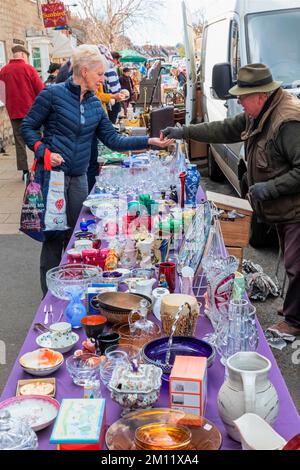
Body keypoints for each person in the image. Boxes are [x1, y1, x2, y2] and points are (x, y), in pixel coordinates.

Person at [161, 63, 300, 336]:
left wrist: (269, 188)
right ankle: (295, 306)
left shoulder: (287, 121)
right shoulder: (259, 112)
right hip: (283, 208)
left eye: (243, 97)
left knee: (297, 264)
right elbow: (223, 129)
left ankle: (295, 322)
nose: (239, 102)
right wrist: (185, 131)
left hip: (295, 208)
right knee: (291, 260)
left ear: (261, 95)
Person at [21, 44, 173, 295]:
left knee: (79, 237)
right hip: (53, 178)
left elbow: (114, 140)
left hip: (79, 177)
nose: (103, 79)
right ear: (84, 71)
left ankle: (74, 287)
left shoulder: (94, 104)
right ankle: (49, 297)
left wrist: (148, 141)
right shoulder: (52, 95)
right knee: (53, 238)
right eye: (99, 74)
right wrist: (44, 152)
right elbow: (27, 127)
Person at [0, 45, 44, 180]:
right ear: (23, 55)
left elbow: (1, 92)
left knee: (19, 142)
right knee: (36, 139)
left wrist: (7, 102)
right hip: (31, 112)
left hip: (14, 111)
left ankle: (25, 172)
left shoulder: (4, 71)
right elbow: (41, 90)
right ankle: (40, 166)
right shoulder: (29, 69)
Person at [98, 45, 123, 124]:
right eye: (117, 59)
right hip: (112, 100)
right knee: (112, 123)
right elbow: (114, 88)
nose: (118, 62)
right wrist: (117, 96)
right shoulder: (110, 70)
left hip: (111, 100)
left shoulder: (111, 69)